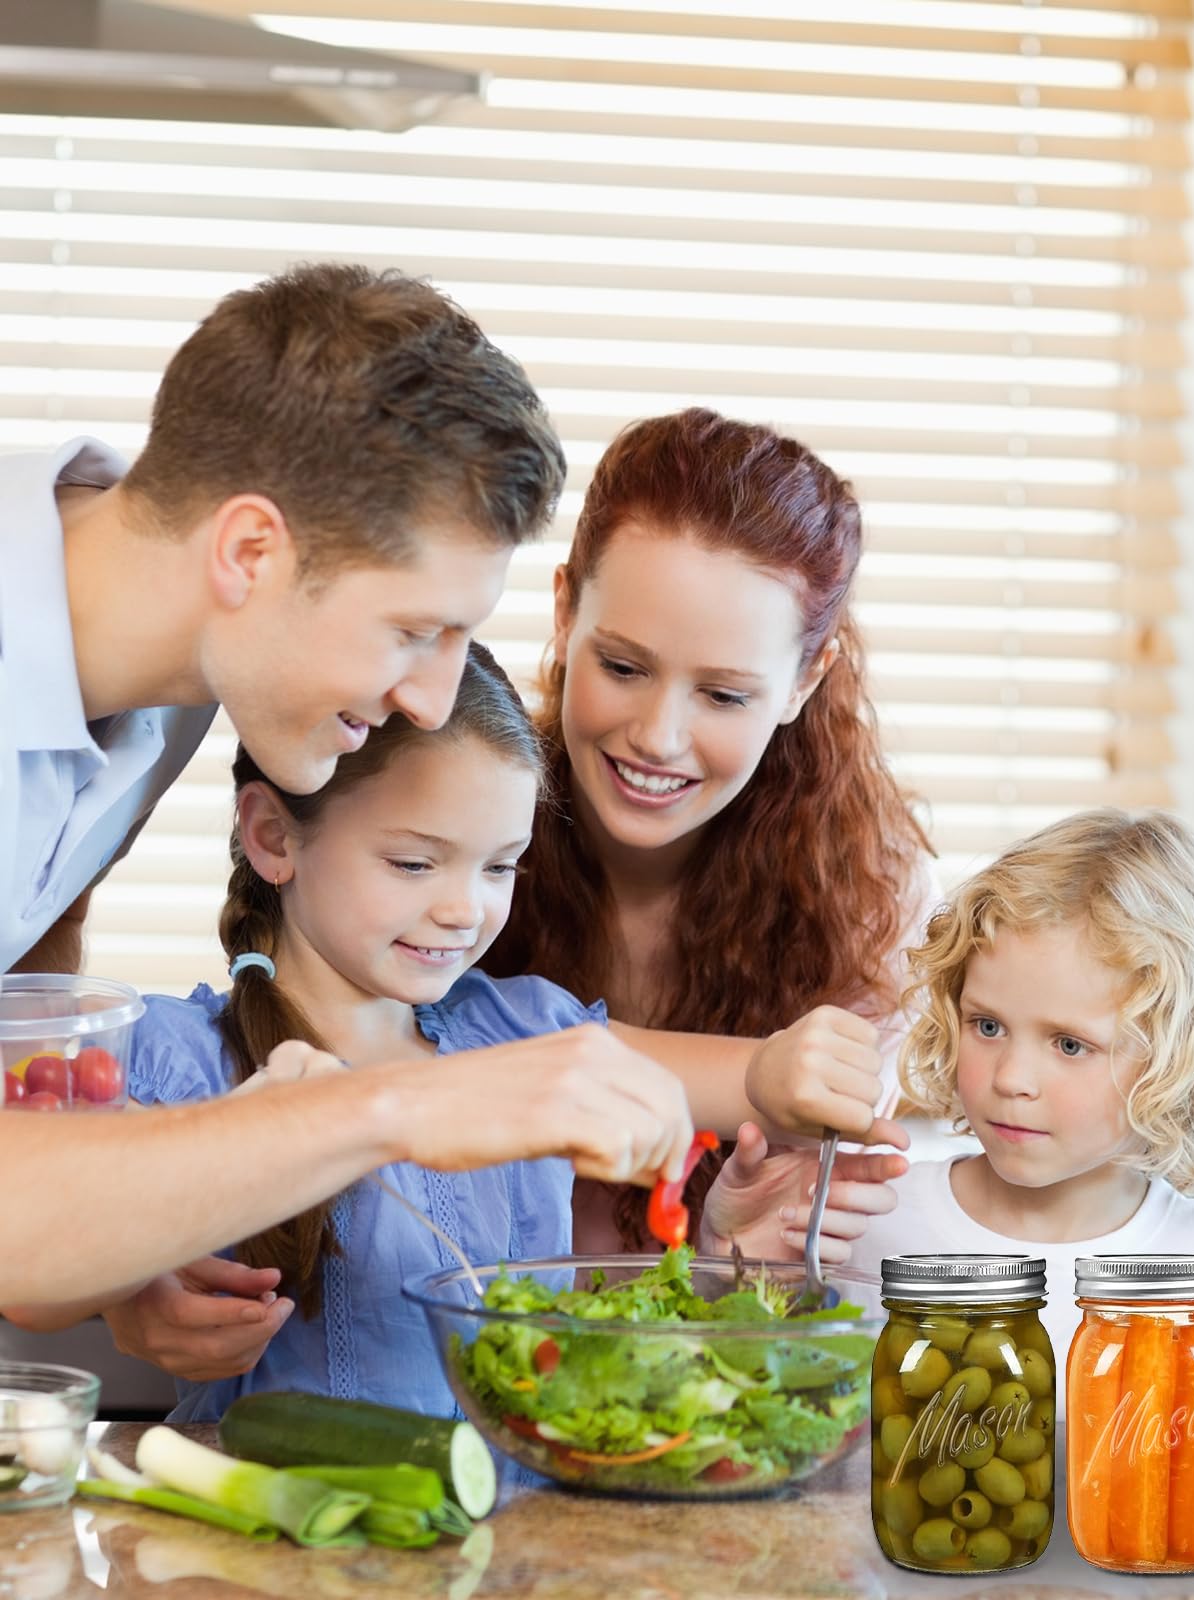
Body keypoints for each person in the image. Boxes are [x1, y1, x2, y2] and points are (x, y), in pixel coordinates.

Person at [0, 262, 697, 1308]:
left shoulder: (181, 660)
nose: (431, 698)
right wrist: (400, 1106)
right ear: (250, 550)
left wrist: (120, 1245)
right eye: (416, 631)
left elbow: (33, 921)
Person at [2, 644, 904, 1415]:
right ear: (274, 838)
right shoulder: (172, 1057)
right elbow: (51, 1243)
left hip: (521, 1543)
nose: (463, 911)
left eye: (500, 866)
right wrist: (130, 1292)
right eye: (413, 861)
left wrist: (800, 1077)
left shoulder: (525, 1030)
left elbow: (751, 1083)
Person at [482, 407, 940, 1253]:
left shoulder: (873, 902)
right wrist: (752, 1080)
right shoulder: (451, 816)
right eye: (622, 666)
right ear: (563, 611)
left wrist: (729, 1264)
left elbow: (765, 1303)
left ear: (808, 678)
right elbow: (413, 1072)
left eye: (725, 695)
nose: (658, 736)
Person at [854, 809, 1194, 1415]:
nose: (1011, 1079)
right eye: (988, 1026)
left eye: (1069, 1045)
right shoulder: (870, 1223)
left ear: (1181, 1056)